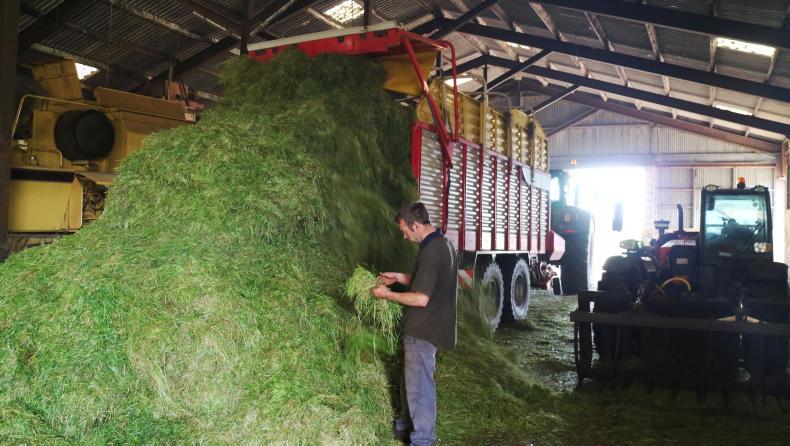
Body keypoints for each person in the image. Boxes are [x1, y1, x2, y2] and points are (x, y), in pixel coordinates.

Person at [372, 202, 458, 446]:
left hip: (424, 329)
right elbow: (428, 282)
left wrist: (386, 295)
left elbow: (421, 298)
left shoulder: (430, 254)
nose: (404, 236)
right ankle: (405, 428)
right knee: (410, 382)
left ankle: (421, 440)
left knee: (419, 388)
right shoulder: (444, 244)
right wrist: (399, 278)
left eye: (405, 230)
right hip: (432, 327)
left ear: (416, 225)